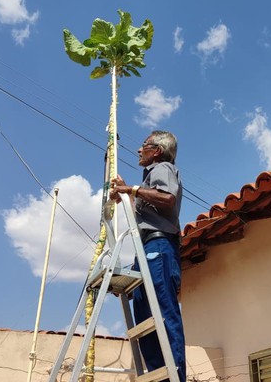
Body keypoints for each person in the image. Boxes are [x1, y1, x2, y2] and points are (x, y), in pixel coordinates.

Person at [109, 130, 185, 382]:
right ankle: (158, 376)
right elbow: (143, 216)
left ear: (158, 151)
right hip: (146, 250)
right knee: (144, 315)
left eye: (144, 146)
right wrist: (125, 193)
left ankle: (174, 376)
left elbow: (167, 198)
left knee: (163, 312)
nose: (139, 150)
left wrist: (131, 188)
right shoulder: (149, 178)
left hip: (160, 247)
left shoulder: (162, 168)